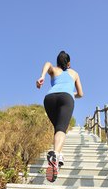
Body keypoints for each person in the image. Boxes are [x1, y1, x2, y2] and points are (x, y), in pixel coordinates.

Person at [36, 50, 83, 182]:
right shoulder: (74, 73)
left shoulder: (54, 70)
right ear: (69, 64)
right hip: (65, 98)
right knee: (61, 129)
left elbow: (47, 63)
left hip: (49, 98)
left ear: (58, 62)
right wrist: (70, 93)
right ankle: (56, 155)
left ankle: (59, 155)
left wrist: (42, 77)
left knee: (58, 128)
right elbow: (80, 94)